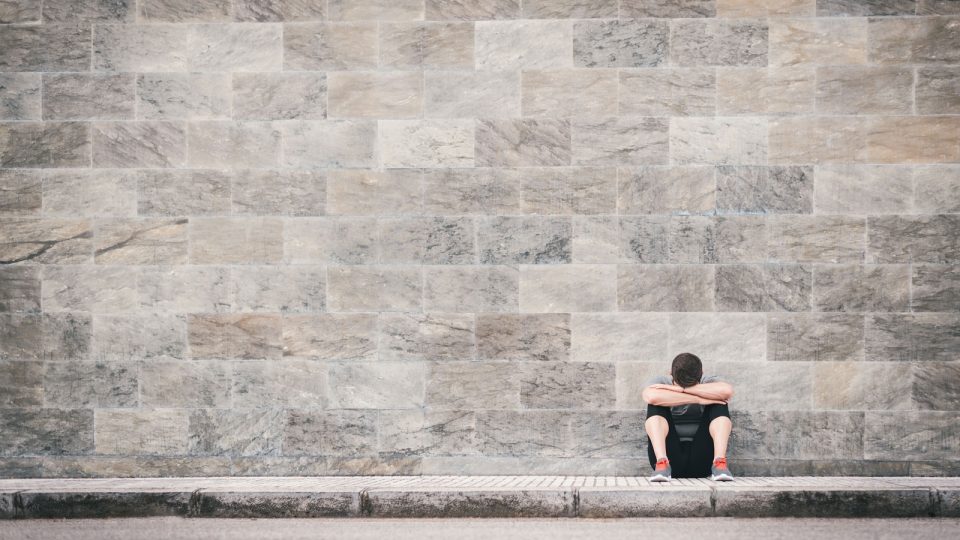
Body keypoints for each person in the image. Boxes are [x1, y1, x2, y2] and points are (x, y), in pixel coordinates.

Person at [642, 352, 734, 482]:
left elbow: (727, 391)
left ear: (670, 372)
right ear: (701, 372)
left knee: (720, 402)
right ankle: (662, 463)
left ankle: (719, 463)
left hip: (703, 461)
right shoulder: (661, 382)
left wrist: (682, 389)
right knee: (655, 404)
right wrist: (699, 399)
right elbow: (651, 396)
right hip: (670, 459)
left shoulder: (708, 381)